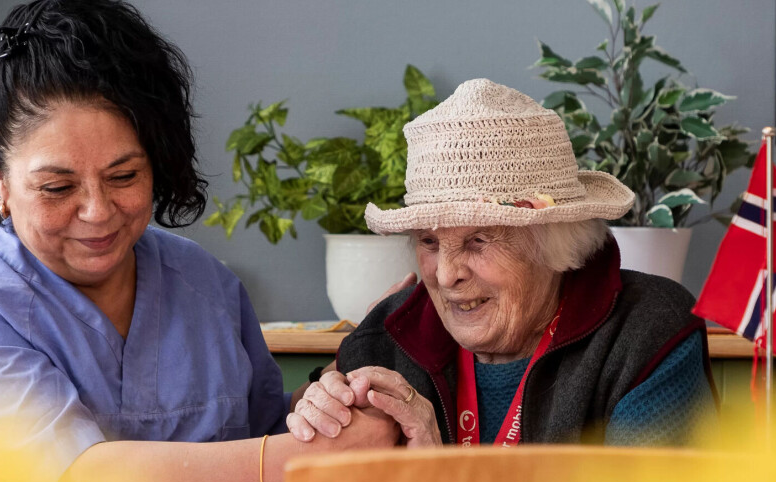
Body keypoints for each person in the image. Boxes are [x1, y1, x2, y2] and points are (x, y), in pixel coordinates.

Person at [0, 0, 397, 482]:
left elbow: (263, 435)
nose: (97, 212)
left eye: (124, 177)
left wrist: (332, 399)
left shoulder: (207, 287)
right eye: (57, 186)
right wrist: (301, 454)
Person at [287, 79, 718, 448]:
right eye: (429, 241)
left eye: (478, 240)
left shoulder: (645, 334)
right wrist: (320, 408)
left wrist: (434, 481)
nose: (445, 273)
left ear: (555, 244)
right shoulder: (385, 340)